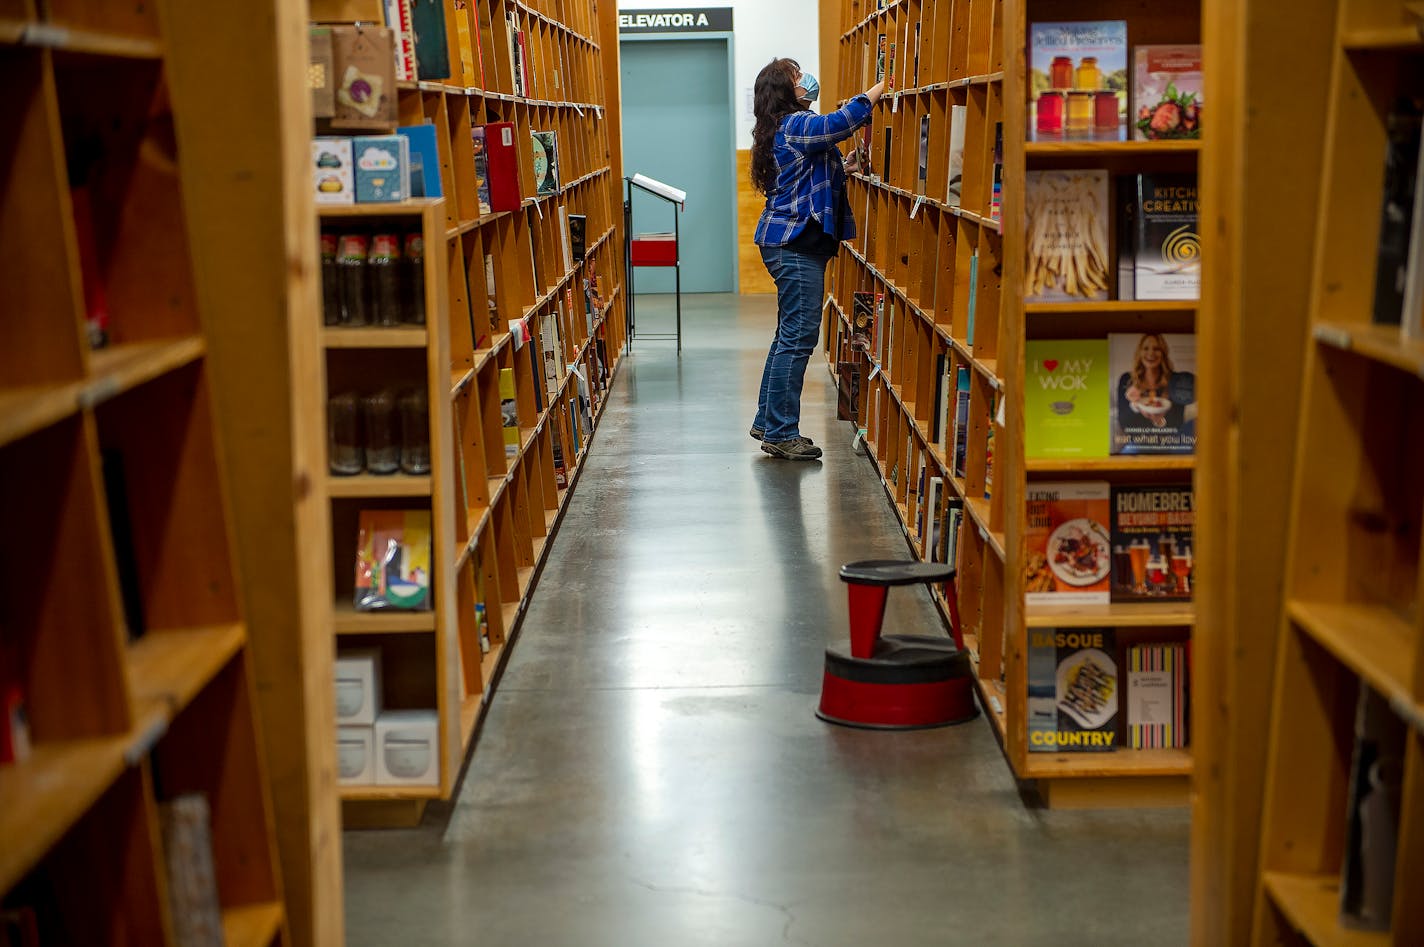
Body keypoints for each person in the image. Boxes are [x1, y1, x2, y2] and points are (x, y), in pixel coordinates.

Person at [749, 58, 885, 460]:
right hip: (794, 245)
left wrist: (844, 166)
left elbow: (806, 178)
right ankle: (781, 431)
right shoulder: (796, 125)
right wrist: (881, 87)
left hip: (789, 242)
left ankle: (769, 421)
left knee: (788, 335)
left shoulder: (784, 129)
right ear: (785, 91)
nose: (805, 79)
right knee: (799, 337)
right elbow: (838, 124)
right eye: (796, 77)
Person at [1115, 332, 1196, 436]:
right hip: (1138, 442)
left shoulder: (1175, 380)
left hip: (1171, 441)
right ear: (1139, 353)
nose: (1151, 353)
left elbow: (1177, 423)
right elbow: (1124, 424)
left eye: (1156, 349)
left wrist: (1160, 419)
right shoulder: (1127, 380)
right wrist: (1134, 406)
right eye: (1145, 348)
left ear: (1163, 353)